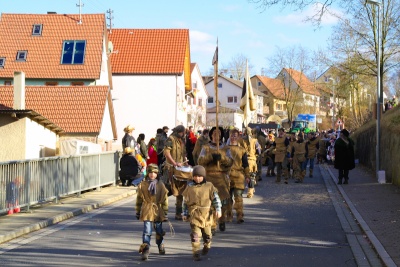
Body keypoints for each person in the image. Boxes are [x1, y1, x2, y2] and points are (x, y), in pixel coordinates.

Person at [182, 165, 222, 261]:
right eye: (195, 176)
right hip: (195, 214)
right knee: (195, 235)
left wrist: (218, 209)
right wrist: (184, 213)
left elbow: (216, 198)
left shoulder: (209, 186)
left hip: (206, 215)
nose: (197, 178)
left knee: (207, 235)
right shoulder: (190, 187)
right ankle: (195, 252)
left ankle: (207, 245)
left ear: (203, 176)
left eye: (199, 176)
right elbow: (185, 201)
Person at [198, 126, 233, 233]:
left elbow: (231, 162)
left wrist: (222, 158)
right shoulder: (206, 147)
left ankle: (221, 219)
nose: (216, 135)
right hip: (209, 177)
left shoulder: (226, 148)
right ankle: (212, 224)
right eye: (214, 133)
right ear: (211, 135)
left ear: (221, 135)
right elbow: (200, 161)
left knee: (223, 202)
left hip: (221, 177)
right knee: (211, 202)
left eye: (218, 133)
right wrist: (210, 157)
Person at [136, 164, 169, 260]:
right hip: (147, 209)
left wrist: (165, 212)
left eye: (154, 173)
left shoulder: (161, 185)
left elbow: (164, 199)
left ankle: (160, 244)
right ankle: (146, 248)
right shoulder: (143, 185)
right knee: (147, 231)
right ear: (147, 173)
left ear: (157, 174)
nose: (152, 175)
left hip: (158, 210)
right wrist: (138, 211)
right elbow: (139, 199)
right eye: (150, 172)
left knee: (158, 230)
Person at [163, 125, 188, 220]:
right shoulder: (171, 139)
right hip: (170, 168)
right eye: (183, 133)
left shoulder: (181, 141)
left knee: (181, 191)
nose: (184, 134)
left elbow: (184, 153)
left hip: (180, 170)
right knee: (167, 190)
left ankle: (178, 213)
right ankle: (162, 212)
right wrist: (174, 163)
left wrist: (186, 163)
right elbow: (167, 152)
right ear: (179, 132)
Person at [227, 128, 250, 223]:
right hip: (227, 176)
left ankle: (240, 215)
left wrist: (247, 176)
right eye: (232, 135)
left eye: (235, 136)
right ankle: (229, 215)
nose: (233, 138)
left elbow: (245, 164)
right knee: (227, 198)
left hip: (238, 176)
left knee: (238, 197)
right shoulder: (225, 149)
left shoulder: (242, 150)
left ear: (238, 137)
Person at [238, 127, 260, 198]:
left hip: (242, 161)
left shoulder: (240, 140)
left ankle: (239, 193)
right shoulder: (255, 140)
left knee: (242, 177)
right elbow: (258, 150)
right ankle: (250, 192)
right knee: (252, 177)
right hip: (252, 160)